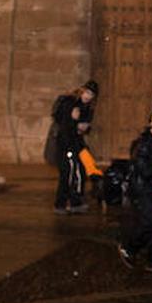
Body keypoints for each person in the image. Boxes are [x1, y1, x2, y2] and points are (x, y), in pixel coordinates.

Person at [118, 99, 152, 273]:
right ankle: (129, 247)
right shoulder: (142, 145)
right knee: (149, 223)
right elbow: (142, 167)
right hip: (142, 190)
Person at [49, 80, 98, 214]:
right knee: (68, 173)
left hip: (76, 143)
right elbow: (64, 124)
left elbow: (82, 126)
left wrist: (83, 128)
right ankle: (61, 203)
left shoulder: (86, 107)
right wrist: (73, 119)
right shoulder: (70, 103)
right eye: (87, 92)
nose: (88, 96)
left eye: (91, 95)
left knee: (80, 171)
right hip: (65, 143)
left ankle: (75, 201)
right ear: (82, 90)